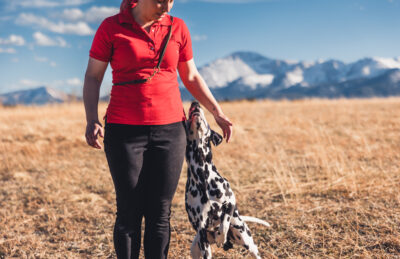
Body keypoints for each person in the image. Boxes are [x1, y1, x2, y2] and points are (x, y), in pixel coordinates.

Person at [83, 0, 233, 258]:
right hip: (123, 131)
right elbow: (93, 76)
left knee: (160, 212)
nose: (167, 6)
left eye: (172, 0)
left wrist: (217, 112)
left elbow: (191, 76)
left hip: (171, 131)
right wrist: (91, 118)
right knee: (129, 211)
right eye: (160, 0)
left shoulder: (178, 27)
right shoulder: (111, 27)